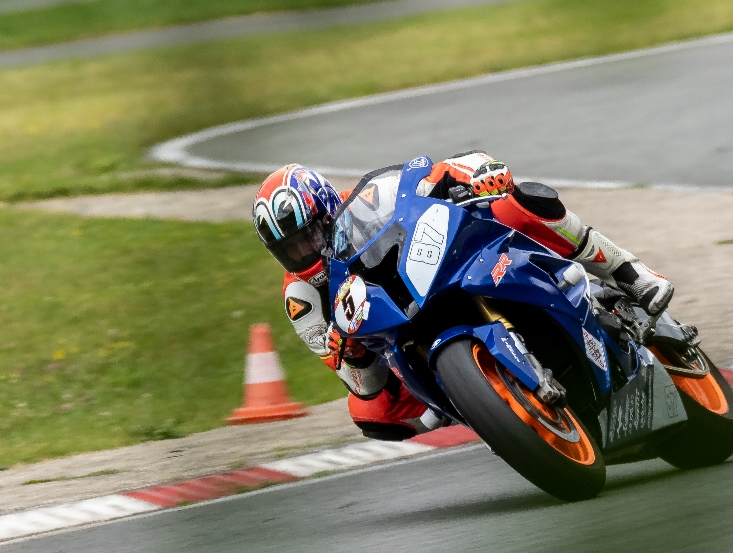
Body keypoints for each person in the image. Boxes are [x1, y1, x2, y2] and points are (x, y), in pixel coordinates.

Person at [252, 151, 673, 442]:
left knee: (518, 202)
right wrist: (352, 354)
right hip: (394, 335)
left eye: (308, 235)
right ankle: (475, 405)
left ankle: (628, 272)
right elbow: (362, 385)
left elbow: (433, 173)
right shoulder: (302, 301)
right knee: (370, 412)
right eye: (290, 249)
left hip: (440, 265)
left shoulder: (368, 200)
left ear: (327, 207)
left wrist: (475, 175)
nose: (304, 251)